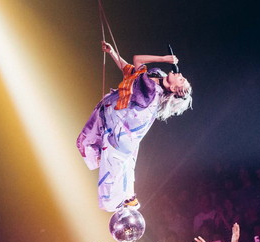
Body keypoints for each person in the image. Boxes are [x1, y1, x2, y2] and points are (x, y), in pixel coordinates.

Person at [77, 42, 192, 212]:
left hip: (116, 122)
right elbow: (130, 71)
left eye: (181, 79)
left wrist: (164, 59)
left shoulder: (151, 91)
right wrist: (113, 53)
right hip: (108, 111)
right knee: (85, 142)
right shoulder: (156, 75)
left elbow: (137, 60)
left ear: (174, 88)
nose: (180, 73)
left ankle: (122, 196)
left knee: (96, 148)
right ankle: (121, 187)